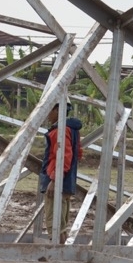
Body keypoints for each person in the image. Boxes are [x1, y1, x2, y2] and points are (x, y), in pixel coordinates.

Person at [39, 101, 82, 244]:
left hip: (58, 181)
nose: (47, 114)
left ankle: (59, 260)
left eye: (49, 110)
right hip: (68, 180)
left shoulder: (60, 131)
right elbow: (78, 154)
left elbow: (63, 157)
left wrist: (54, 180)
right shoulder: (72, 129)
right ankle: (63, 259)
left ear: (57, 110)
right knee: (61, 225)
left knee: (54, 224)